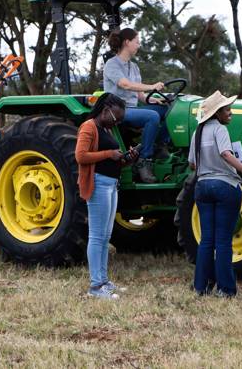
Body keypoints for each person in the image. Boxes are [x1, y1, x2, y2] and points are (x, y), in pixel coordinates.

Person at [188, 90, 242, 297]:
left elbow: (192, 164)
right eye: (227, 109)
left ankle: (200, 287)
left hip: (202, 187)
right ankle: (226, 289)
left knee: (206, 241)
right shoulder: (220, 130)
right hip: (224, 187)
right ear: (217, 113)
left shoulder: (197, 132)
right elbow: (225, 154)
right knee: (223, 241)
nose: (230, 112)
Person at [75, 93, 138, 299]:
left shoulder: (106, 128)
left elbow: (114, 160)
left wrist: (127, 159)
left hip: (111, 184)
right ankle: (95, 286)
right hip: (99, 184)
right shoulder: (89, 127)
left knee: (105, 237)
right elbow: (81, 156)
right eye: (116, 117)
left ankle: (103, 281)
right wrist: (109, 154)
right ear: (105, 111)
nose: (118, 122)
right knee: (97, 236)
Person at [103, 27, 169, 183]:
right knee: (152, 116)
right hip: (117, 110)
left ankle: (158, 145)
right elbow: (125, 85)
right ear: (127, 42)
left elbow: (140, 96)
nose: (139, 45)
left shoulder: (134, 67)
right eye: (137, 42)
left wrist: (152, 100)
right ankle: (143, 161)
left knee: (168, 110)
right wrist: (152, 86)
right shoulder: (112, 65)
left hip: (133, 108)